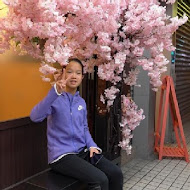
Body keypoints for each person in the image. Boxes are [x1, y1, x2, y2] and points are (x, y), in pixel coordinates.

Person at [30, 58, 123, 190]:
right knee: (100, 180)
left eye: (78, 73)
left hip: (82, 152)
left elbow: (84, 128)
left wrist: (91, 145)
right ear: (63, 74)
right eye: (70, 72)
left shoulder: (81, 102)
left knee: (115, 173)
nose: (74, 76)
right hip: (61, 156)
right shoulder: (55, 99)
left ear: (82, 77)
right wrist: (54, 92)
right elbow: (35, 117)